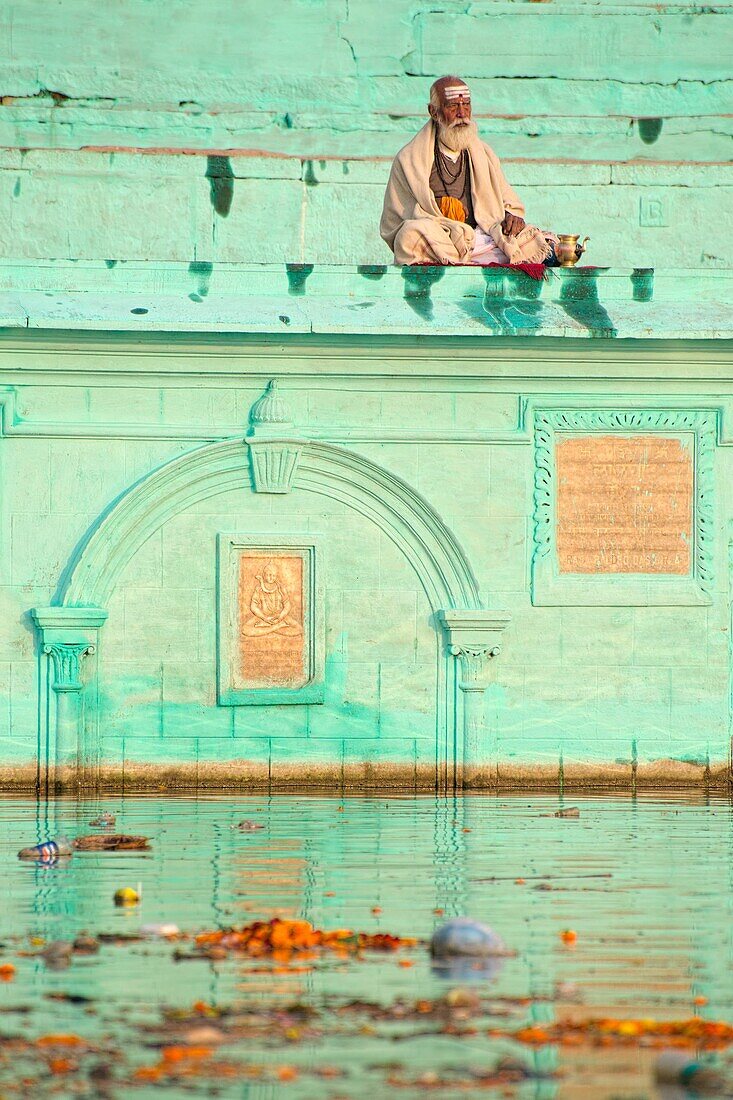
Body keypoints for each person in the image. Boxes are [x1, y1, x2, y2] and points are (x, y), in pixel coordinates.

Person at [380, 76, 557, 267]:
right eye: (453, 106)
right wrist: (438, 219)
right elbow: (394, 223)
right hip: (443, 241)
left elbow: (509, 201)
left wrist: (512, 216)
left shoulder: (484, 153)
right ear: (433, 112)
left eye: (466, 105)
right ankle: (462, 260)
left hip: (486, 238)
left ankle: (468, 262)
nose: (462, 114)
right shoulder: (409, 159)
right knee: (409, 235)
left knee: (544, 242)